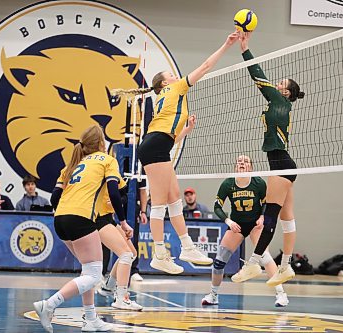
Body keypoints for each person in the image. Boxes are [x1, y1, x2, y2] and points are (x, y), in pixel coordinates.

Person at [112, 31, 240, 274]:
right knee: (159, 204)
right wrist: (226, 45)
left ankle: (186, 246)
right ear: (164, 83)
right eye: (170, 75)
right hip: (155, 146)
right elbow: (205, 66)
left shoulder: (163, 99)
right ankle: (159, 253)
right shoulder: (176, 89)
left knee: (174, 200)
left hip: (157, 145)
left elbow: (165, 137)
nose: (175, 76)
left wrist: (185, 132)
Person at [34, 124, 131, 333]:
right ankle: (48, 305)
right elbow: (115, 194)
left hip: (60, 219)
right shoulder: (107, 160)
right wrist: (123, 222)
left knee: (88, 271)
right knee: (95, 276)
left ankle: (90, 319)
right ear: (101, 143)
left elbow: (54, 198)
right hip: (81, 218)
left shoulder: (71, 165)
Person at [232, 32, 304, 286]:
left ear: (285, 92)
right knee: (287, 218)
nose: (277, 83)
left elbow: (258, 75)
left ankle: (253, 263)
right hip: (284, 164)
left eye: (281, 83)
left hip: (282, 165)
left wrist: (245, 50)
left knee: (270, 215)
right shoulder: (282, 105)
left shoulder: (277, 99)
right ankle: (285, 267)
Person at [201, 155, 289, 307]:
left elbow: (266, 203)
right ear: (235, 166)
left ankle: (281, 295)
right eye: (239, 162)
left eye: (246, 161)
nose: (242, 163)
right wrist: (228, 221)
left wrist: (262, 217)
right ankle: (213, 295)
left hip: (255, 224)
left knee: (265, 256)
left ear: (251, 166)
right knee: (219, 260)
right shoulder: (228, 183)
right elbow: (217, 207)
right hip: (238, 225)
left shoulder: (258, 182)